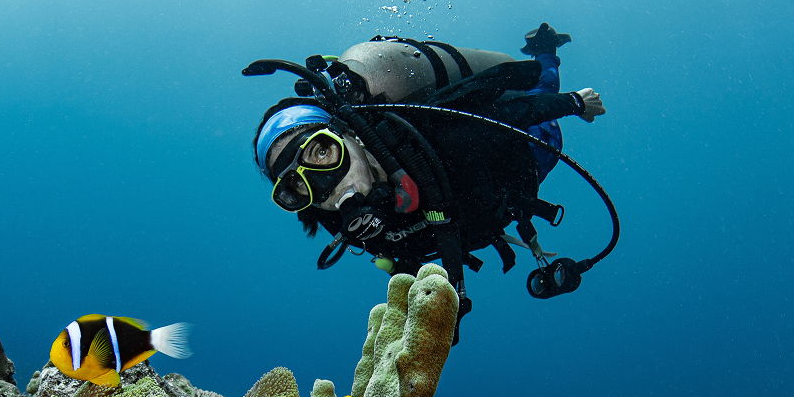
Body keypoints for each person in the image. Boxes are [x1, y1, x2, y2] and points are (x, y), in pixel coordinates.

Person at [244, 23, 619, 343]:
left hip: (526, 158)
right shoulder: (340, 223)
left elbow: (511, 113)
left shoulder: (433, 138)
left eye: (321, 152)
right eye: (296, 186)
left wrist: (574, 103)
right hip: (488, 215)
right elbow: (406, 250)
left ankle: (546, 49)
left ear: (348, 133)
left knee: (545, 94)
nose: (327, 185)